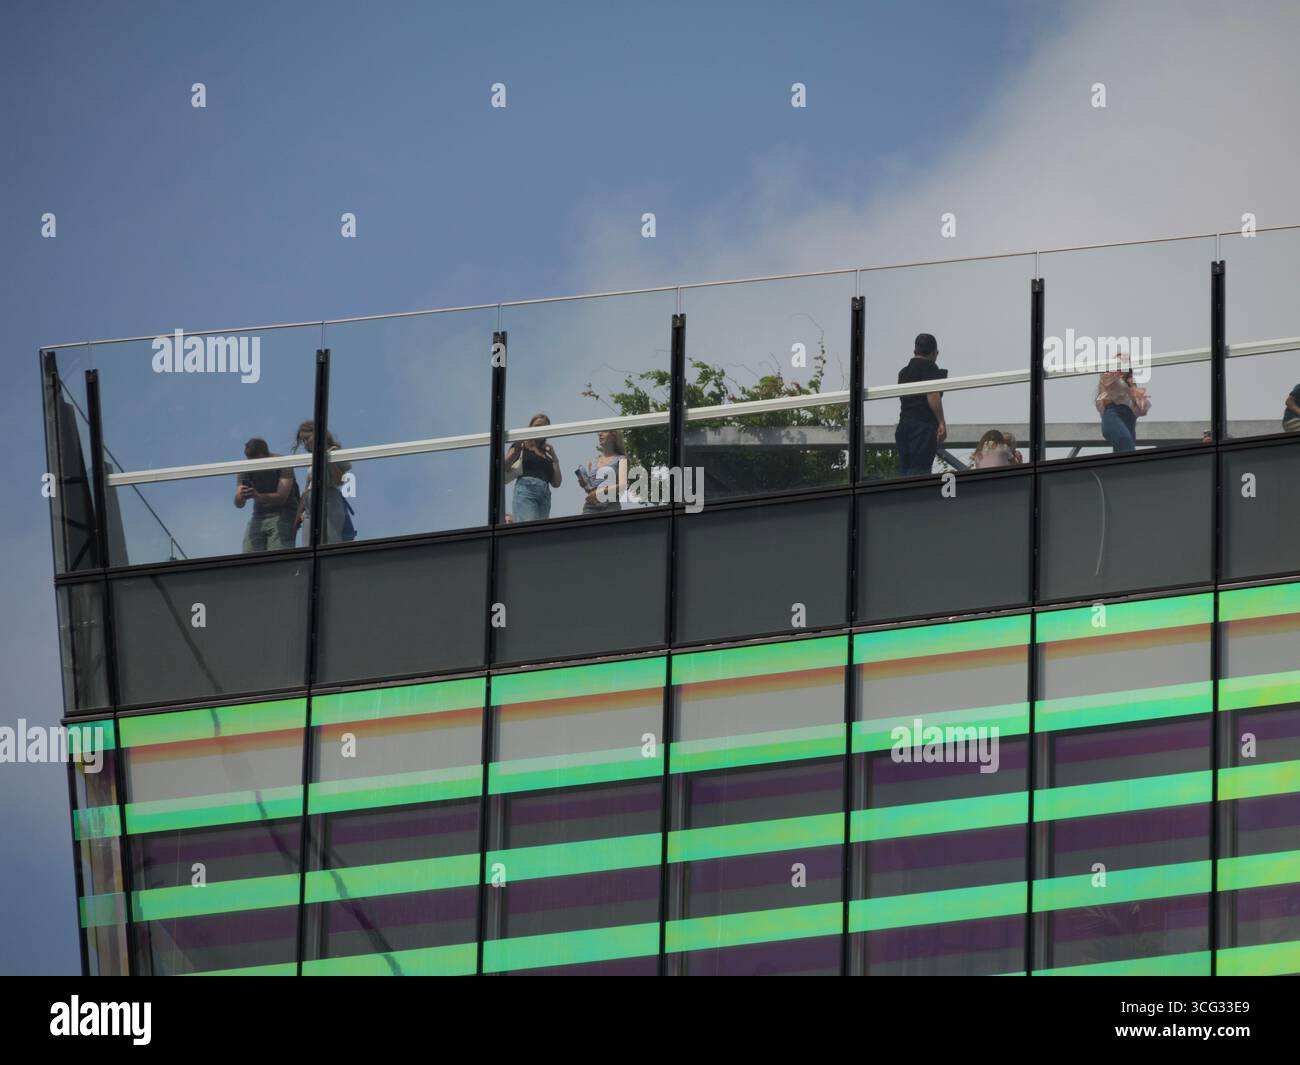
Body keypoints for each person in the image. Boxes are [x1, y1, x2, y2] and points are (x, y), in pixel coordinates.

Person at [291, 421, 355, 543]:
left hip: (330, 501)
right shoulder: (313, 458)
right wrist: (298, 515)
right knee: (308, 544)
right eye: (303, 441)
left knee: (330, 540)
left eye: (307, 438)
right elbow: (307, 489)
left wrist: (326, 456)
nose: (305, 443)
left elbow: (339, 481)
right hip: (310, 505)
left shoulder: (334, 452)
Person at [895, 333, 947, 476]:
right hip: (922, 427)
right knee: (919, 473)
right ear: (934, 353)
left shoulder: (903, 372)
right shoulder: (930, 367)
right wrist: (941, 422)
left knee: (905, 472)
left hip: (903, 426)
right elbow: (933, 394)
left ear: (915, 352)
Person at [234, 438, 299, 552]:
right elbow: (239, 504)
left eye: (256, 460)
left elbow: (282, 497)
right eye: (250, 460)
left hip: (284, 514)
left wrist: (258, 496)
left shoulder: (282, 463)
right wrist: (240, 496)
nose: (253, 463)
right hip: (259, 516)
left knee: (278, 557)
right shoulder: (245, 467)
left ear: (265, 455)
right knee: (249, 555)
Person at [504, 414, 562, 522]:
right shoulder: (522, 446)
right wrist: (516, 452)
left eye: (544, 427)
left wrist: (554, 457)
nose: (540, 429)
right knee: (528, 527)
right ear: (530, 427)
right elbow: (504, 467)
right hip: (526, 490)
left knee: (540, 532)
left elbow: (556, 483)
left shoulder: (547, 455)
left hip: (544, 495)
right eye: (537, 426)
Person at [1095, 366, 1151, 453]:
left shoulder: (1130, 387)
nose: (1120, 366)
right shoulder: (1109, 380)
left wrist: (1132, 386)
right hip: (1113, 414)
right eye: (1118, 363)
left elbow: (1142, 409)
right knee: (1125, 442)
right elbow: (1106, 400)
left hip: (1129, 421)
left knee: (1127, 450)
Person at [581, 429, 628, 514]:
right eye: (599, 432)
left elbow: (622, 485)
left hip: (611, 506)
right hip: (590, 508)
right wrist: (585, 484)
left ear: (613, 436)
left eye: (604, 431)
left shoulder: (621, 459)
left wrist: (600, 491)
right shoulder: (593, 462)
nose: (600, 434)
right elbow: (592, 489)